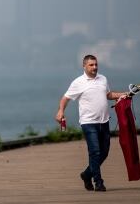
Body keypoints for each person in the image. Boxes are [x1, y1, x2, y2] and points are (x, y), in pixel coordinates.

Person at [54, 54, 128, 192]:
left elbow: (108, 95)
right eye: (91, 65)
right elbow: (65, 98)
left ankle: (86, 174)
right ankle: (98, 182)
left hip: (104, 121)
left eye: (96, 64)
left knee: (104, 152)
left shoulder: (103, 79)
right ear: (84, 66)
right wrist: (60, 111)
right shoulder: (78, 82)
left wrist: (124, 94)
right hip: (88, 123)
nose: (95, 67)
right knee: (94, 152)